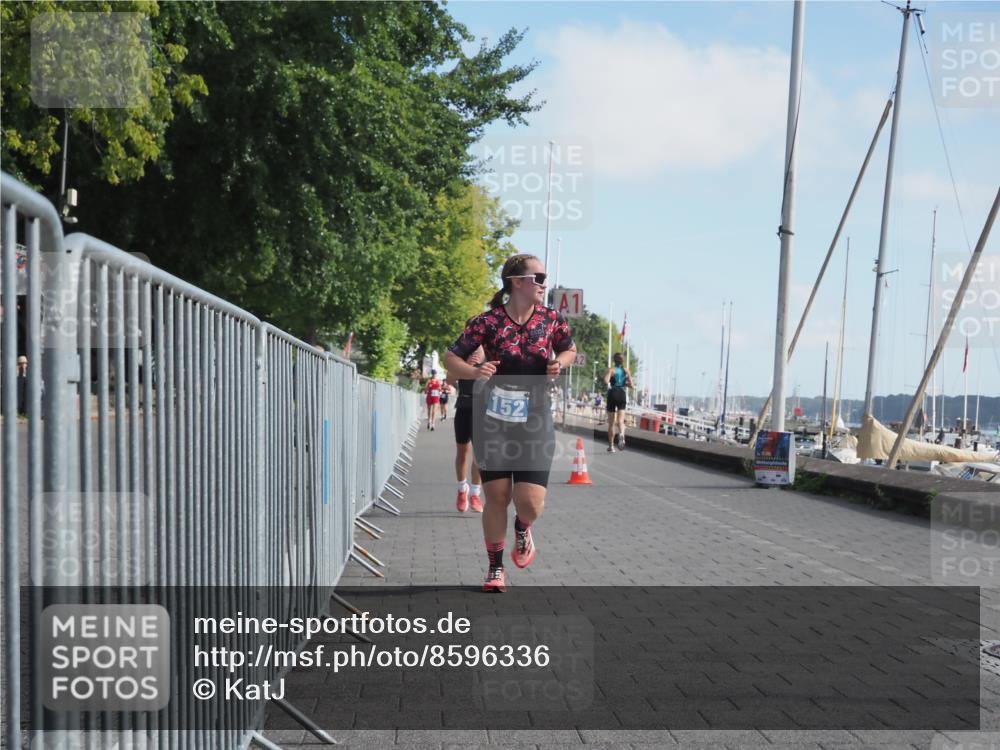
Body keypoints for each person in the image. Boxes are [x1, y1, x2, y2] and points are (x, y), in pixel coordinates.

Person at [445, 254, 576, 593]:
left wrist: (558, 363)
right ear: (517, 282)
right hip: (493, 418)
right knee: (497, 495)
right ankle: (494, 568)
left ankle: (523, 527)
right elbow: (451, 357)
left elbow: (569, 350)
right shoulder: (486, 323)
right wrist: (474, 372)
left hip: (535, 418)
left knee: (529, 501)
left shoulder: (551, 319)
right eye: (539, 277)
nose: (544, 284)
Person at [450, 343, 485, 514]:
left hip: (484, 408)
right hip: (464, 405)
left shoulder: (491, 353)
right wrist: (466, 368)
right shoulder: (461, 355)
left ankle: (475, 494)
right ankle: (462, 489)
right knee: (463, 452)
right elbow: (449, 380)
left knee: (480, 454)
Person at [603, 352, 633, 452]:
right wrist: (625, 383)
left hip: (612, 394)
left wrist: (609, 377)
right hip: (622, 394)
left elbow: (606, 381)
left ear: (614, 360)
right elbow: (631, 385)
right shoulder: (627, 371)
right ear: (623, 361)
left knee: (611, 423)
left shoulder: (612, 370)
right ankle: (621, 434)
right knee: (621, 420)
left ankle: (611, 446)